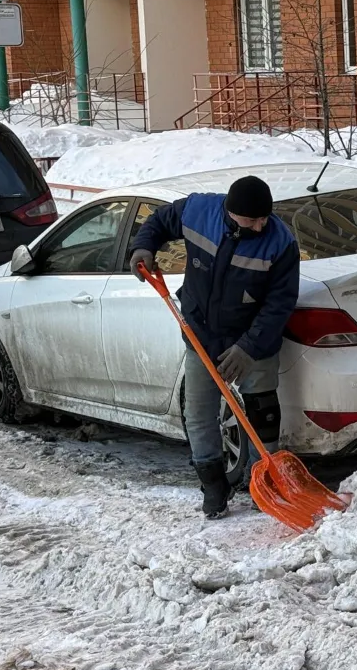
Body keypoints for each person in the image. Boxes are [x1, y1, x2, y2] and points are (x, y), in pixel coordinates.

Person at [128, 176, 299, 520]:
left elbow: (279, 303)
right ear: (231, 212)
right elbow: (159, 220)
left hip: (252, 338)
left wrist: (249, 347)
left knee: (262, 411)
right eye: (252, 220)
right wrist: (144, 246)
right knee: (199, 413)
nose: (260, 224)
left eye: (265, 217)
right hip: (201, 333)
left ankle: (262, 482)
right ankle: (213, 487)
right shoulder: (198, 211)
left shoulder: (280, 243)